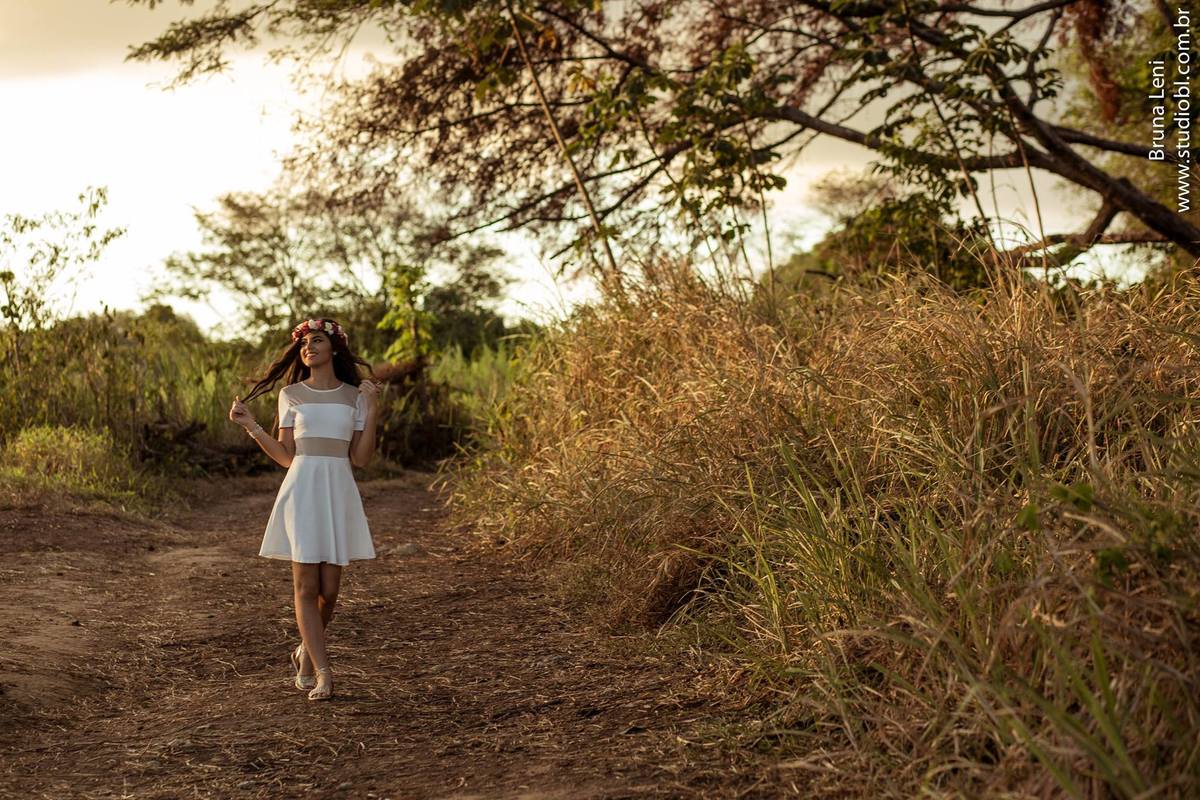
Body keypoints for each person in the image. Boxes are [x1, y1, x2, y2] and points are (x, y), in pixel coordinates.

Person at [228, 317, 383, 701]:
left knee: (329, 593)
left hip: (338, 489)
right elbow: (285, 456)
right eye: (303, 345)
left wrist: (374, 407)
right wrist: (252, 427)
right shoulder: (291, 394)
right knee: (305, 587)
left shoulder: (354, 397)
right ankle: (323, 672)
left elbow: (361, 458)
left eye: (315, 341)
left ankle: (303, 650)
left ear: (333, 348)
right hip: (302, 488)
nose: (308, 348)